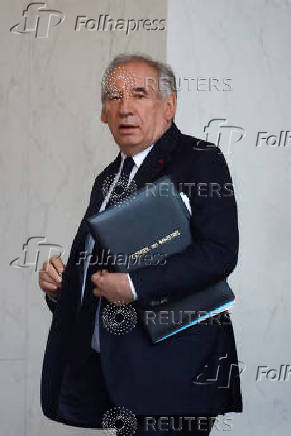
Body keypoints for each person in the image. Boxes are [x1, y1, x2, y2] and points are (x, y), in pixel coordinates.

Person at [39, 53, 242, 436]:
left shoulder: (200, 160)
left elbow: (219, 253)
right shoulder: (107, 179)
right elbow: (102, 270)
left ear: (169, 107)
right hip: (120, 374)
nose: (125, 108)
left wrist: (135, 286)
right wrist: (63, 288)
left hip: (176, 375)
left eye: (138, 94)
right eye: (114, 97)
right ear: (103, 114)